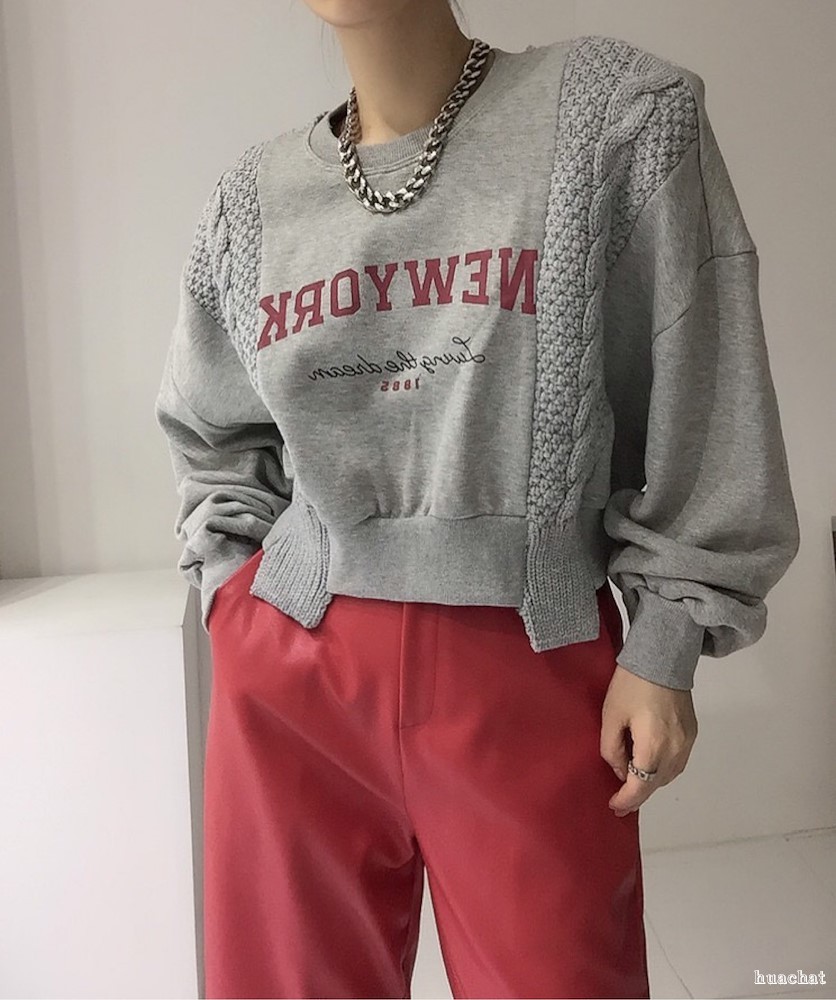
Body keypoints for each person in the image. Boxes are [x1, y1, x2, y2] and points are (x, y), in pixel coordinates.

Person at [153, 1, 801, 997]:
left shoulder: (618, 116)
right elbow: (213, 434)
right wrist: (230, 597)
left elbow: (702, 394)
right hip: (292, 675)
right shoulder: (252, 199)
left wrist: (667, 639)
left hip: (528, 663)